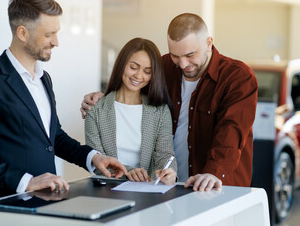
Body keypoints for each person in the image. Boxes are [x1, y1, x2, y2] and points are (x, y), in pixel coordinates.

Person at [0, 0, 127, 203]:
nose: (56, 42)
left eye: (56, 33)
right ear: (22, 33)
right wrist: (25, 182)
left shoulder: (44, 79)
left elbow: (53, 136)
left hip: (45, 205)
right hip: (3, 206)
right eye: (48, 34)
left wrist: (93, 157)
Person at [81, 13, 258, 192]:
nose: (182, 64)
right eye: (175, 55)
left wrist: (214, 173)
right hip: (171, 186)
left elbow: (231, 132)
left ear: (208, 42)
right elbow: (132, 89)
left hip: (217, 184)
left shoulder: (237, 77)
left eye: (190, 55)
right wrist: (101, 98)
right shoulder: (164, 67)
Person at [85, 38, 177, 184]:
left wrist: (169, 172)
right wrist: (127, 171)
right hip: (107, 191)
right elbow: (96, 159)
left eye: (147, 71)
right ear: (122, 64)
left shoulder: (160, 110)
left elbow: (164, 153)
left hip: (148, 191)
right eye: (134, 67)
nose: (139, 76)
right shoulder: (95, 109)